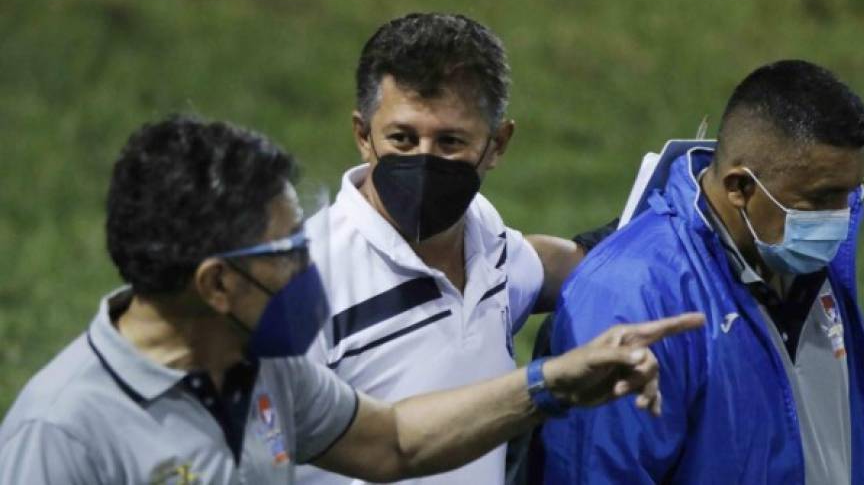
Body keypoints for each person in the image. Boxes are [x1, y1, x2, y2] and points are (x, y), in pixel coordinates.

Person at [0, 115, 703, 484]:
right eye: (284, 253)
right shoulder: (62, 432)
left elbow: (394, 441)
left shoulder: (261, 368)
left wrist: (550, 384)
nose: (310, 264)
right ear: (216, 284)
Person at [298, 12, 611, 485]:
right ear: (363, 136)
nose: (424, 159)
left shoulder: (489, 245)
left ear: (497, 144)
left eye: (449, 142)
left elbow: (544, 265)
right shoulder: (304, 282)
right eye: (402, 138)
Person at [540, 60, 864, 484]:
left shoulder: (806, 263)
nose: (840, 218)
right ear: (740, 188)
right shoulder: (634, 297)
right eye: (822, 199)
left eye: (851, 192)